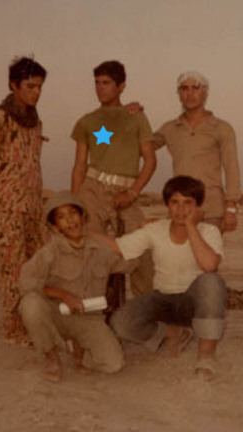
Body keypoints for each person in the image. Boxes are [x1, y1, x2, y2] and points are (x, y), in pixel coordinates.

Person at [91, 176, 227, 379]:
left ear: (197, 206)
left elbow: (209, 265)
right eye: (175, 202)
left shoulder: (209, 231)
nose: (181, 210)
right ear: (167, 205)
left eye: (188, 203)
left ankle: (206, 356)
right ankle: (173, 333)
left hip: (194, 304)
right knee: (121, 323)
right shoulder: (156, 229)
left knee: (212, 282)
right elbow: (119, 247)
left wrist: (191, 226)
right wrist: (83, 233)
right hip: (162, 299)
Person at [0, 56, 48, 342]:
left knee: (37, 266)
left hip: (32, 206)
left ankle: (36, 322)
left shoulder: (34, 122)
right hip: (8, 207)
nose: (36, 92)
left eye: (39, 87)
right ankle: (15, 329)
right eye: (30, 86)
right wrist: (0, 197)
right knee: (13, 269)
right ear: (14, 85)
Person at [18, 191, 131, 382]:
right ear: (55, 226)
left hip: (89, 318)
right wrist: (63, 295)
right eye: (62, 217)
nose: (70, 220)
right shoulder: (49, 253)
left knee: (114, 364)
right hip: (58, 314)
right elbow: (26, 284)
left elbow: (130, 260)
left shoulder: (100, 249)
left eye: (73, 213)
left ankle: (80, 351)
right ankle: (51, 356)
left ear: (82, 216)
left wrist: (145, 234)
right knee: (30, 304)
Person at [70, 60, 156, 296]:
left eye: (106, 83)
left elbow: (150, 161)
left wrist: (132, 192)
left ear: (121, 86)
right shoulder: (86, 121)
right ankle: (91, 307)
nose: (100, 88)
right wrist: (74, 203)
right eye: (97, 83)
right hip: (92, 190)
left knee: (142, 248)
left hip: (125, 191)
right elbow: (79, 165)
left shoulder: (136, 117)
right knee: (86, 247)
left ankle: (144, 307)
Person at [153, 71, 241, 232]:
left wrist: (231, 209)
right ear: (179, 93)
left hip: (211, 209)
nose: (190, 93)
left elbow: (232, 169)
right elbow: (140, 146)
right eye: (184, 88)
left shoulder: (222, 128)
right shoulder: (170, 128)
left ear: (205, 92)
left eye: (195, 88)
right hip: (179, 210)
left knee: (208, 249)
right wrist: (130, 114)